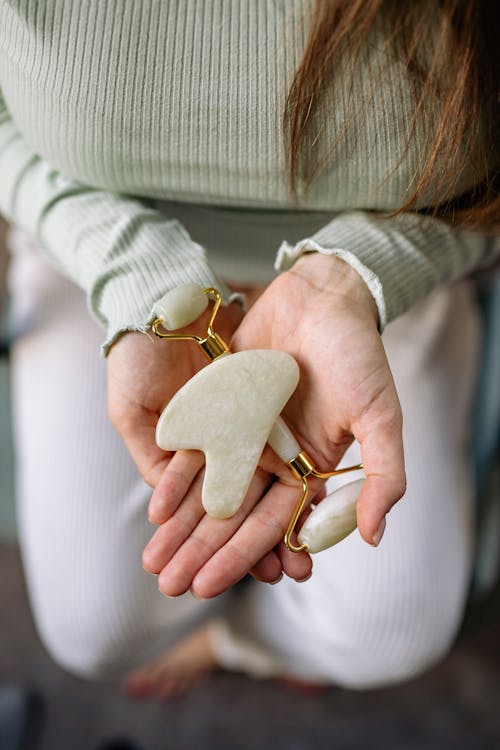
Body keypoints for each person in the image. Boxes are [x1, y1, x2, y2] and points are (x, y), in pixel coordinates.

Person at [0, 0, 498, 698]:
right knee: (97, 628)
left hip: (388, 266)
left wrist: (358, 276)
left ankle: (237, 641)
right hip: (101, 251)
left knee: (387, 636)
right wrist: (136, 273)